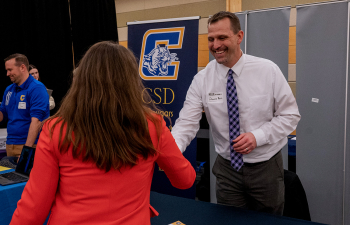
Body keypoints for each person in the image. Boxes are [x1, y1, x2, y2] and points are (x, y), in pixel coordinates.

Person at [10, 41, 196, 225]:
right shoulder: (152, 125)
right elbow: (185, 180)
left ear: (81, 80)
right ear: (131, 81)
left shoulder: (56, 129)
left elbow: (34, 207)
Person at [171, 11, 301, 215]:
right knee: (229, 220)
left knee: (268, 221)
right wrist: (171, 151)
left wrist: (257, 137)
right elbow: (186, 123)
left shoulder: (268, 70)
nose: (216, 45)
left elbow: (290, 115)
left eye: (222, 38)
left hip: (265, 167)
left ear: (239, 36)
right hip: (227, 169)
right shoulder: (202, 80)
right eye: (211, 39)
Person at [0, 54, 50, 158]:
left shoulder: (37, 88)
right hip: (10, 145)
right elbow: (2, 117)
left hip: (31, 146)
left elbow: (36, 121)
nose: (7, 74)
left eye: (10, 70)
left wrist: (26, 151)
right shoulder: (9, 89)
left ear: (22, 67)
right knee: (10, 174)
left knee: (27, 175)